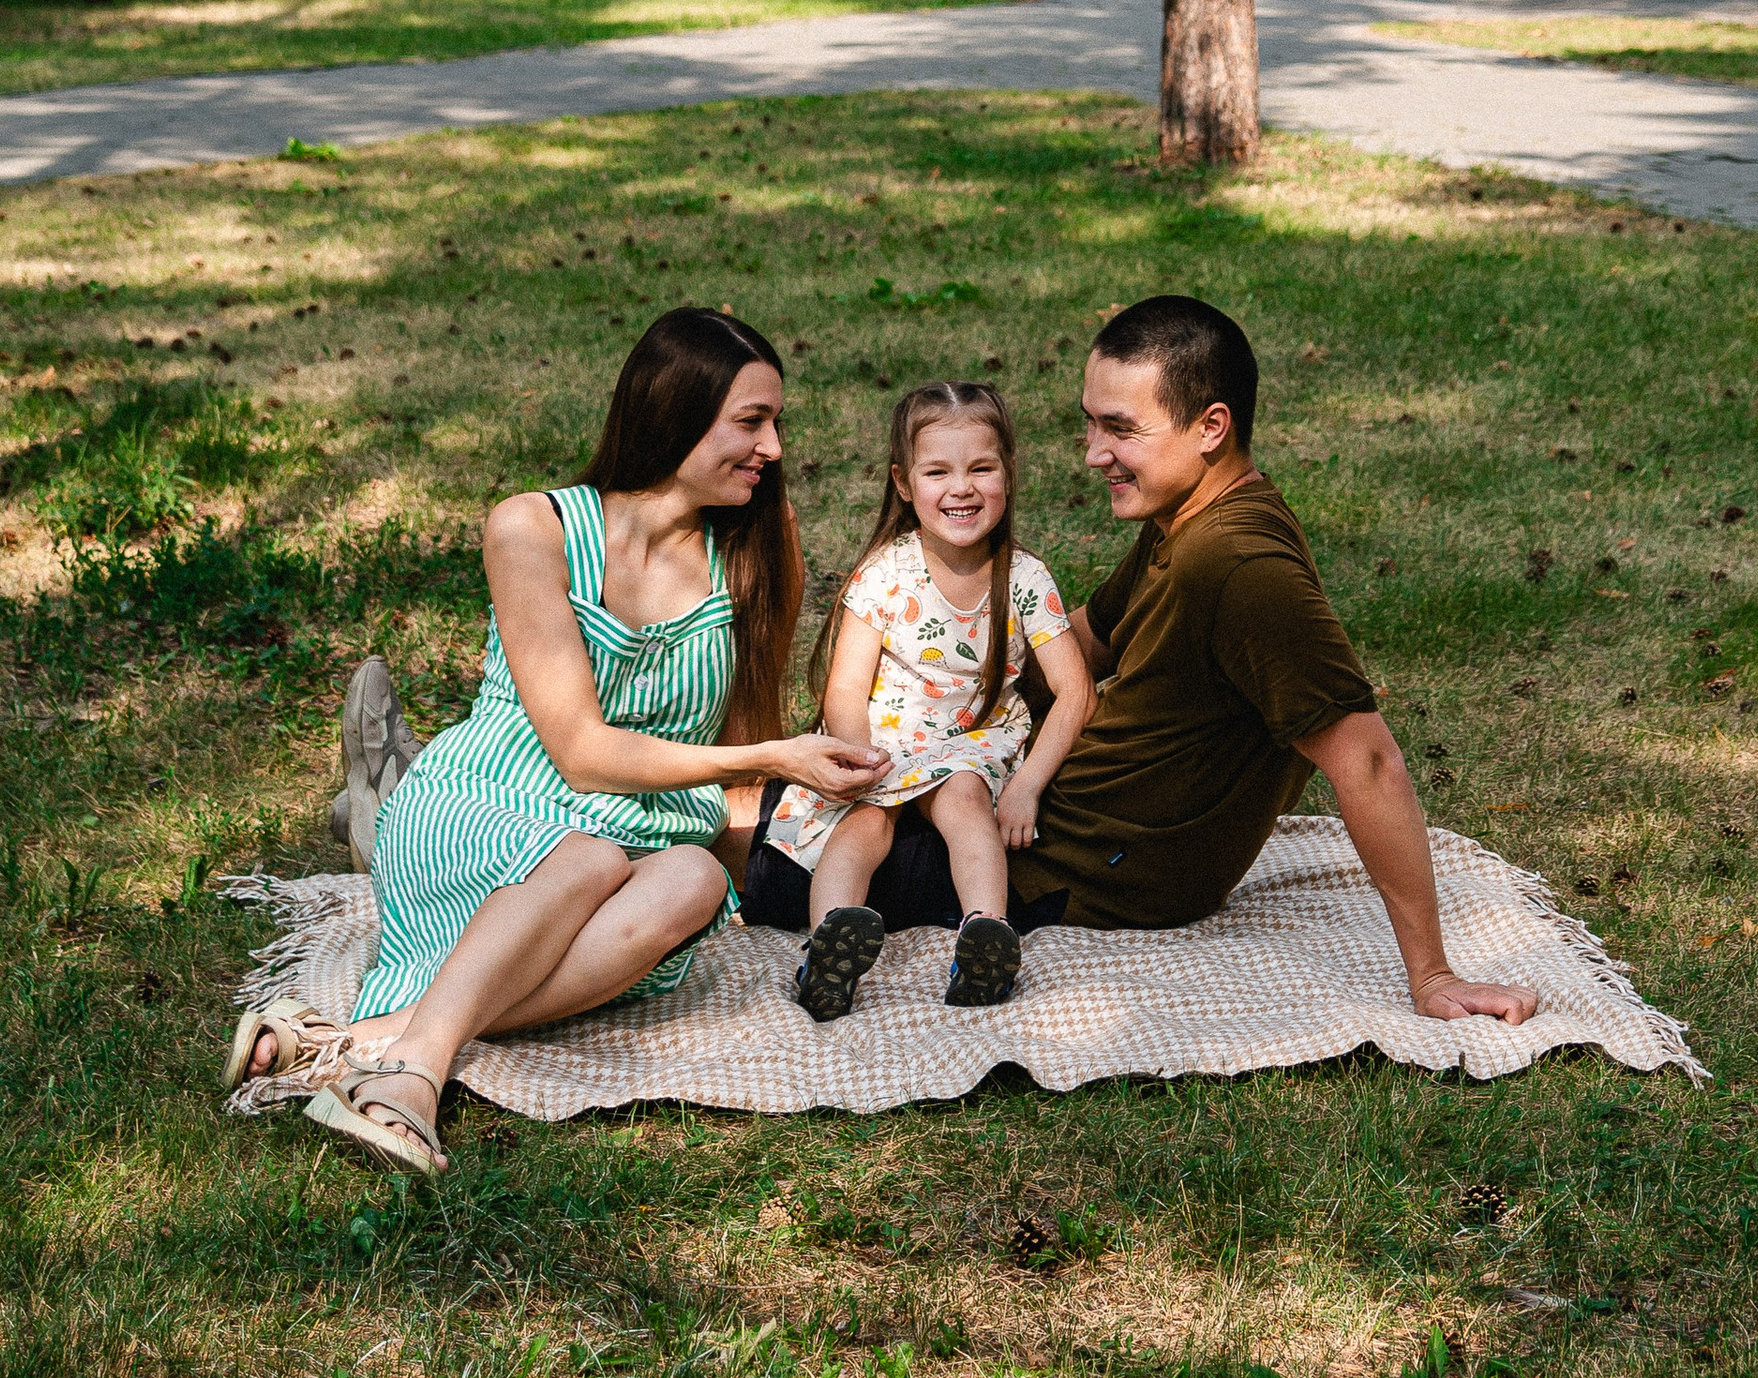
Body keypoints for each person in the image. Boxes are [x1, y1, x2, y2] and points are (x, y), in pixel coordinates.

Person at [751, 296, 1534, 1029]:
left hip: (1076, 860)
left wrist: (1432, 974)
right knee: (797, 788)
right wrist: (949, 705)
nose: (1095, 456)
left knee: (775, 855)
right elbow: (1088, 636)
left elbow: (1364, 759)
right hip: (1041, 796)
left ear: (1209, 426)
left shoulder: (1238, 565)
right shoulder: (1188, 520)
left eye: (1119, 430)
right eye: (1090, 426)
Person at [223, 308, 887, 1172]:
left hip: (639, 838)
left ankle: (353, 1040)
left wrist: (752, 864)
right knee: (585, 858)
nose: (775, 448)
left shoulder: (755, 547)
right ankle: (412, 1077)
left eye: (777, 422)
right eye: (752, 421)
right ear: (675, 413)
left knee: (688, 881)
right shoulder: (531, 528)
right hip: (489, 804)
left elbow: (739, 735)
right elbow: (581, 750)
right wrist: (774, 758)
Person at [771, 381, 1094, 1018]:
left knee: (968, 797)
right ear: (903, 481)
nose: (962, 488)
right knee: (863, 822)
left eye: (981, 467)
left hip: (974, 740)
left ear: (1008, 472)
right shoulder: (886, 574)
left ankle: (984, 940)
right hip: (887, 738)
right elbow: (845, 686)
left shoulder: (1024, 578)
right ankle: (830, 945)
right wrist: (858, 757)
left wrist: (1027, 785)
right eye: (938, 471)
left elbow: (1075, 692)